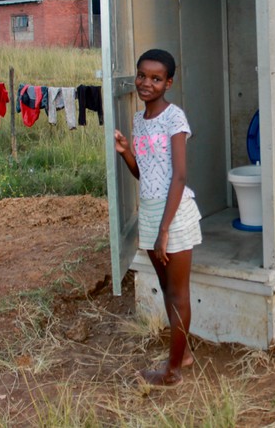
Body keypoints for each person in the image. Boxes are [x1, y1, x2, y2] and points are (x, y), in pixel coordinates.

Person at [114, 49, 201, 386]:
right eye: (141, 75)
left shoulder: (174, 118)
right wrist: (126, 154)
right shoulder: (139, 120)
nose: (145, 83)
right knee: (166, 288)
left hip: (173, 215)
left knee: (178, 292)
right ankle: (186, 354)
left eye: (155, 78)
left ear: (168, 83)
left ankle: (173, 372)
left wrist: (164, 230)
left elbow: (179, 176)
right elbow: (146, 174)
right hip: (151, 212)